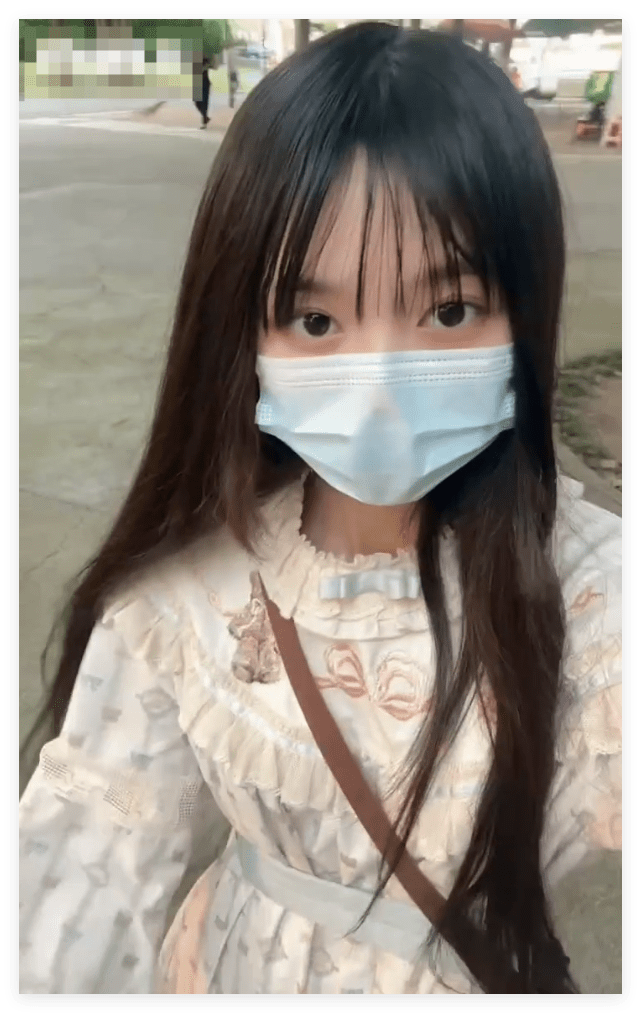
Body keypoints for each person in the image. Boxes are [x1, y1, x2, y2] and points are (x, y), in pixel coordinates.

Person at [18, 22, 621, 995]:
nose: (377, 381)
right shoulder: (181, 597)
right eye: (314, 319)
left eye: (450, 310)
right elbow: (84, 881)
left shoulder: (594, 594)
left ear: (525, 308)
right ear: (241, 335)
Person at [193, 55, 211, 129]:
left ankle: (204, 120)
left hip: (204, 83)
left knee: (204, 103)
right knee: (197, 102)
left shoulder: (205, 62)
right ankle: (205, 117)